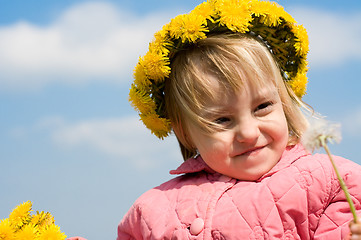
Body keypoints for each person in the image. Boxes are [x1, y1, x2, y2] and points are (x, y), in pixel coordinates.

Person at [70, 0, 361, 239]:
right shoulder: (150, 210)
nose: (248, 132)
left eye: (262, 107)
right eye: (222, 120)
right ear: (184, 132)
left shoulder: (334, 182)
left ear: (283, 102)